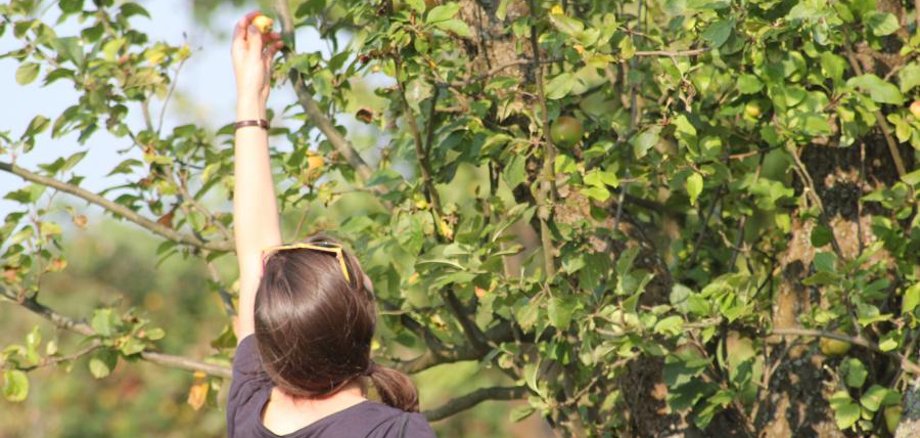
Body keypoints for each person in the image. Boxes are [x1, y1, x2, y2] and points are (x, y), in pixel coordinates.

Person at [227, 12, 436, 438]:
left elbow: (254, 256)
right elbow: (257, 260)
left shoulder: (251, 411)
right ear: (359, 323)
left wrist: (251, 100)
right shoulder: (396, 433)